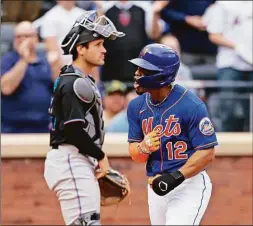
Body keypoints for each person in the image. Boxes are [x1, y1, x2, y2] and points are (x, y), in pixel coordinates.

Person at [43, 11, 125, 225]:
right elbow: (73, 130)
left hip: (78, 160)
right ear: (81, 48)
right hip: (71, 159)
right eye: (97, 44)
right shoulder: (74, 82)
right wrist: (101, 156)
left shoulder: (80, 79)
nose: (104, 50)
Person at [127, 43, 218, 225]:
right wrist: (143, 147)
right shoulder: (136, 106)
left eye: (144, 70)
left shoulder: (191, 105)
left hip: (188, 184)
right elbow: (135, 154)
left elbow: (208, 153)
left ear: (161, 76)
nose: (137, 74)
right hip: (156, 186)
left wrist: (175, 177)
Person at [203, 1, 253, 131]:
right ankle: (229, 147)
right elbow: (214, 35)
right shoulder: (223, 5)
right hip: (230, 64)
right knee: (229, 109)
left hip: (251, 64)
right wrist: (238, 47)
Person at [1, 21, 55, 133]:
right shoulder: (8, 60)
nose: (22, 39)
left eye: (26, 36)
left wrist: (57, 63)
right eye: (18, 36)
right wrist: (24, 59)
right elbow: (6, 88)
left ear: (36, 38)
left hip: (43, 127)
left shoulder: (46, 62)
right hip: (12, 128)